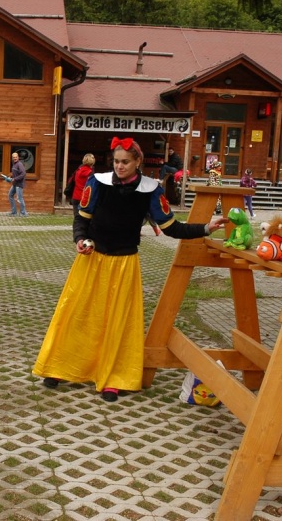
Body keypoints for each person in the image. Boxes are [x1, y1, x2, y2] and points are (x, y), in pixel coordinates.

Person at [33, 136, 227, 402]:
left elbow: (172, 228)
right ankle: (60, 368)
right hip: (92, 260)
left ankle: (114, 377)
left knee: (118, 320)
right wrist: (80, 240)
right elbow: (82, 217)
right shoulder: (98, 182)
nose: (120, 166)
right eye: (116, 161)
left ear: (138, 161)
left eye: (125, 162)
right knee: (78, 313)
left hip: (124, 263)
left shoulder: (150, 190)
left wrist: (206, 228)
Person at [6, 152, 27, 216]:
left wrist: (15, 179)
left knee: (20, 198)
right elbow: (15, 173)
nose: (15, 158)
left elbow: (23, 174)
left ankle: (23, 213)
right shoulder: (14, 164)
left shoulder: (19, 164)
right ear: (12, 158)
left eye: (16, 157)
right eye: (13, 157)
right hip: (15, 184)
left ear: (18, 157)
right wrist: (11, 177)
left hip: (19, 184)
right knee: (10, 195)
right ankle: (14, 212)